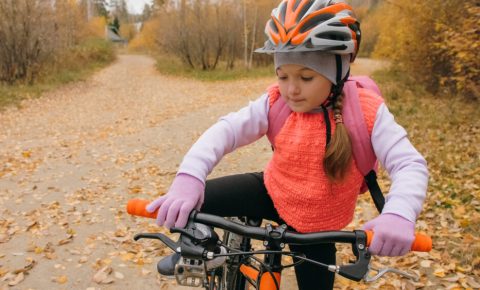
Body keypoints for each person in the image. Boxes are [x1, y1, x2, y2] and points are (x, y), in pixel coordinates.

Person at [146, 1, 429, 289]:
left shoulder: (367, 112)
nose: (291, 89)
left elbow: (409, 164)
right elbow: (226, 131)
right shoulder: (276, 102)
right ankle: (203, 241)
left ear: (339, 70)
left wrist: (399, 213)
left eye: (306, 77)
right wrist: (189, 177)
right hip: (271, 191)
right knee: (197, 200)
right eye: (283, 75)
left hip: (318, 227)